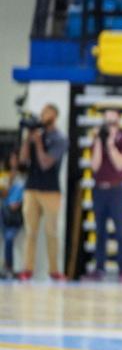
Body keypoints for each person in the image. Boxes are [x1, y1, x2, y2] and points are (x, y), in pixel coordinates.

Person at [19, 104, 68, 282]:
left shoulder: (59, 138)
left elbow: (46, 163)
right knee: (30, 231)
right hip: (31, 188)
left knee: (51, 232)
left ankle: (54, 270)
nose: (42, 116)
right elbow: (23, 161)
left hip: (50, 191)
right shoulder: (35, 135)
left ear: (54, 116)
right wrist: (27, 140)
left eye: (46, 113)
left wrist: (39, 143)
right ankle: (27, 269)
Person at [87, 108, 122, 282]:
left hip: (115, 191)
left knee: (120, 232)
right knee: (100, 231)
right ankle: (99, 269)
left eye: (113, 122)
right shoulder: (97, 140)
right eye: (106, 122)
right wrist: (99, 142)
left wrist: (111, 145)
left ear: (119, 123)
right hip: (99, 189)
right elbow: (95, 166)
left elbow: (121, 165)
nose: (109, 126)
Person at [1, 151, 25, 279]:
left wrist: (19, 203)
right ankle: (6, 267)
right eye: (12, 158)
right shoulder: (4, 176)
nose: (14, 161)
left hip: (17, 215)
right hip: (4, 213)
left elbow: (25, 196)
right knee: (7, 238)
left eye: (16, 158)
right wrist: (10, 179)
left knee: (9, 238)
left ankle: (9, 267)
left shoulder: (24, 178)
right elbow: (3, 194)